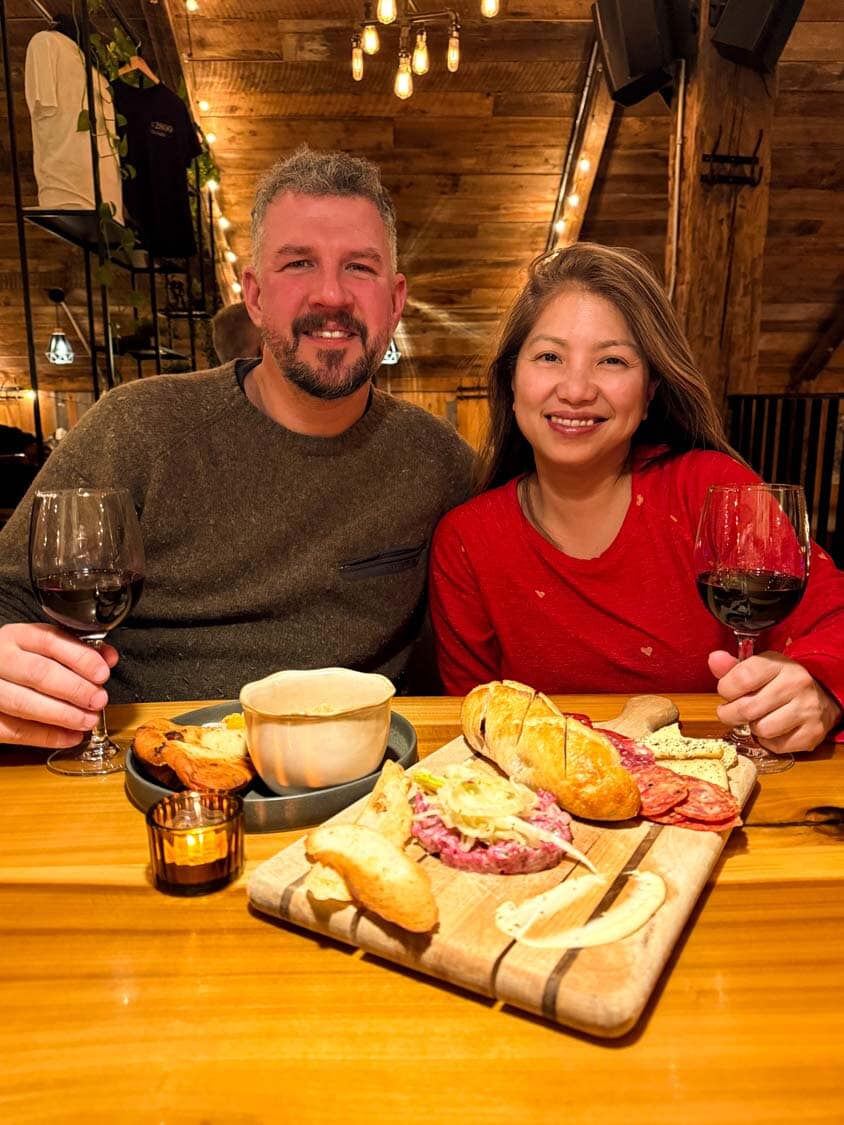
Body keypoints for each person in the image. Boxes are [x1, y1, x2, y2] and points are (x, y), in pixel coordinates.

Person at [0, 147, 474, 750]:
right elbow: (8, 592)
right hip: (144, 773)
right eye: (299, 263)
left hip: (355, 782)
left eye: (359, 267)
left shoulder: (437, 460)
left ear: (396, 299)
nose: (331, 295)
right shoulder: (137, 426)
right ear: (253, 295)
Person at [429, 242, 844, 755]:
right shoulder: (467, 540)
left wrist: (822, 689)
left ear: (650, 391)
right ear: (511, 381)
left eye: (612, 360)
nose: (577, 389)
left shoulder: (709, 489)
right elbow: (473, 722)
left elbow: (835, 618)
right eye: (549, 356)